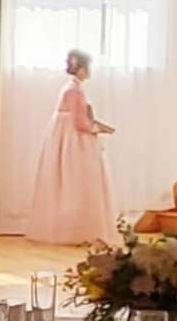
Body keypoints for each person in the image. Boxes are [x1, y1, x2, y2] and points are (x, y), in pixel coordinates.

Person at [24, 49, 116, 244]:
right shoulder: (74, 90)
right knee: (79, 182)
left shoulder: (69, 88)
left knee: (66, 182)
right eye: (87, 67)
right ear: (81, 69)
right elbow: (80, 123)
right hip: (73, 141)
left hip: (63, 137)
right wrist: (100, 128)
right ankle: (79, 231)